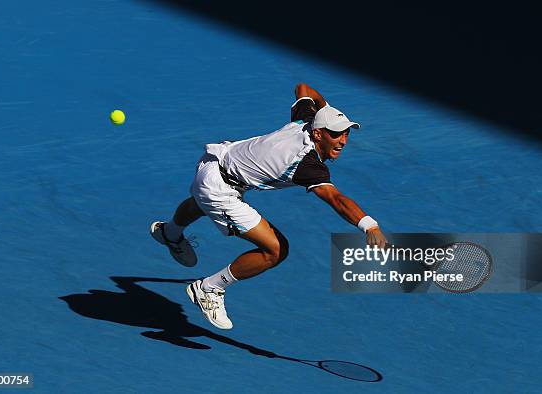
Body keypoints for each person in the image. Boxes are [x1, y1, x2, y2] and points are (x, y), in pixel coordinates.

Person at [150, 83, 387, 329]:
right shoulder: (306, 164)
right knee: (275, 249)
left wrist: (326, 110)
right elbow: (336, 199)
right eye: (336, 134)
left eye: (347, 133)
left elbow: (303, 88)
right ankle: (209, 288)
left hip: (215, 161)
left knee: (201, 203)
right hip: (219, 189)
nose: (343, 141)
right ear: (318, 134)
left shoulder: (304, 121)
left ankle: (169, 233)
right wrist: (369, 226)